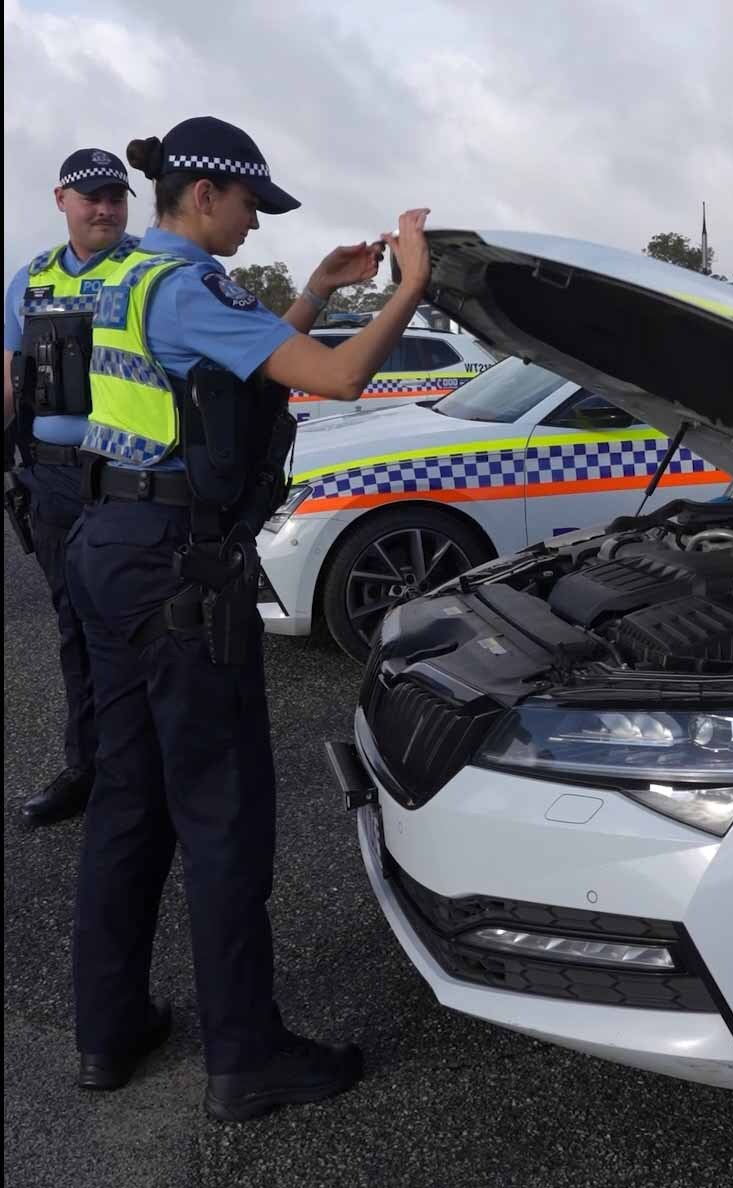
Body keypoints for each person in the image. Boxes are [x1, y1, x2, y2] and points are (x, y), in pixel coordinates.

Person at [65, 116, 431, 1120]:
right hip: (178, 576)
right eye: (248, 208)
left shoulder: (119, 275)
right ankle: (247, 1057)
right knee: (223, 815)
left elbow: (230, 363)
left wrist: (318, 290)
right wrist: (406, 286)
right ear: (204, 196)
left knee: (128, 802)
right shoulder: (187, 286)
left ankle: (109, 1029)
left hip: (108, 547)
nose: (252, 227)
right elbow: (340, 378)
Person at [3, 149, 141, 826]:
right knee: (76, 630)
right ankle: (87, 769)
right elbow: (8, 380)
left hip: (135, 479)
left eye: (116, 195)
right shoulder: (29, 279)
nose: (105, 207)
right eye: (91, 196)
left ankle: (156, 775)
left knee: (150, 627)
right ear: (61, 199)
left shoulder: (153, 269)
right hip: (54, 477)